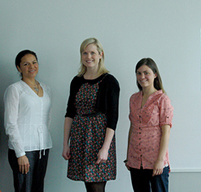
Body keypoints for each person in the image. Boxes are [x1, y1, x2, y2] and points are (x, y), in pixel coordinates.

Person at [62, 38, 120, 192]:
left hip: (99, 139)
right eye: (85, 53)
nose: (89, 57)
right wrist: (65, 143)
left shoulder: (110, 81)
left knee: (96, 187)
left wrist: (105, 148)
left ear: (100, 54)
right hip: (80, 137)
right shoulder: (76, 81)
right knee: (88, 186)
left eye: (93, 53)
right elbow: (69, 113)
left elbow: (113, 118)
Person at [4, 50, 52, 192]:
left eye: (34, 62)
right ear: (19, 68)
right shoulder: (15, 89)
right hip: (24, 149)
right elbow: (10, 124)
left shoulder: (46, 88)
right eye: (26, 64)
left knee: (39, 188)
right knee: (24, 189)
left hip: (43, 147)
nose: (31, 66)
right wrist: (20, 153)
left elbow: (46, 118)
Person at [125, 58, 173, 192]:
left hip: (155, 160)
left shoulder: (162, 99)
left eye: (146, 73)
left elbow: (166, 132)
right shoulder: (133, 99)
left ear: (155, 74)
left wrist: (160, 160)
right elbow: (132, 127)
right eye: (138, 73)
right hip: (135, 160)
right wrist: (129, 155)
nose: (142, 77)